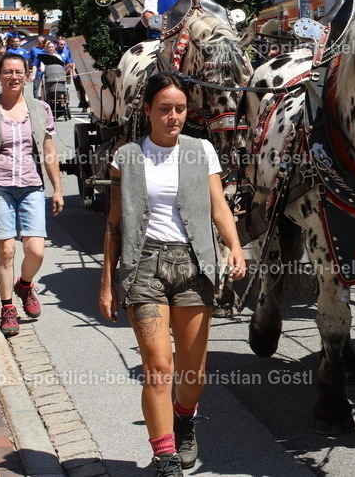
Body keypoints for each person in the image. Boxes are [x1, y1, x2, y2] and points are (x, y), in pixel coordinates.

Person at [99, 73, 246, 477]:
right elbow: (114, 223)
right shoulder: (126, 157)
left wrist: (233, 246)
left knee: (192, 372)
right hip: (143, 266)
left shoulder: (202, 151)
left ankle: (184, 418)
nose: (173, 117)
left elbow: (219, 206)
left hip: (194, 265)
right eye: (164, 109)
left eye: (180, 109)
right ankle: (164, 458)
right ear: (147, 110)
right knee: (158, 366)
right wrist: (107, 281)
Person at [0, 52, 64, 337]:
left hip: (31, 185)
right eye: (7, 72)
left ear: (27, 75)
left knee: (36, 250)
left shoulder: (40, 109)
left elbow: (48, 151)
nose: (14, 77)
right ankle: (8, 307)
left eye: (19, 72)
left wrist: (57, 188)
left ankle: (25, 285)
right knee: (6, 250)